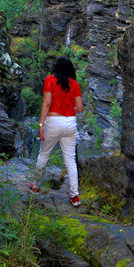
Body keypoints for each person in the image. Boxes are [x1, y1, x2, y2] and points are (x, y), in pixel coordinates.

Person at [29, 56, 83, 206]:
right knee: (70, 161)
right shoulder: (75, 84)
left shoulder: (50, 80)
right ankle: (75, 196)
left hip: (53, 122)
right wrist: (68, 108)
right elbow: (79, 108)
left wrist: (41, 125)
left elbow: (46, 103)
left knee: (44, 154)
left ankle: (35, 186)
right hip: (70, 123)